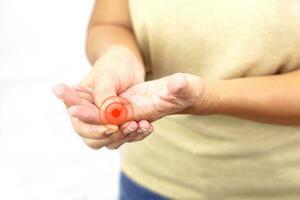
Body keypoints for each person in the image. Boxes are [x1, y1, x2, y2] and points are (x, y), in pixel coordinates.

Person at [53, 0, 300, 199]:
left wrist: (209, 97)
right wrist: (118, 55)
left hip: (280, 188)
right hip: (150, 181)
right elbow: (110, 22)